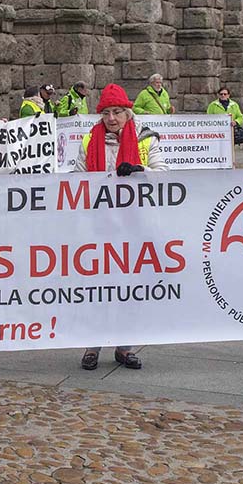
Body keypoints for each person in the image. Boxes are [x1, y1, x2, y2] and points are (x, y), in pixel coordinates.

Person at [76, 83, 167, 372]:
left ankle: (124, 346)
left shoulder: (145, 140)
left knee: (129, 288)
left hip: (134, 226)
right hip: (99, 226)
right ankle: (93, 345)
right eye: (106, 113)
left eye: (117, 112)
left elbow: (164, 175)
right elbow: (77, 178)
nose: (111, 118)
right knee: (96, 288)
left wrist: (141, 172)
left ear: (128, 113)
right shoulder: (90, 140)